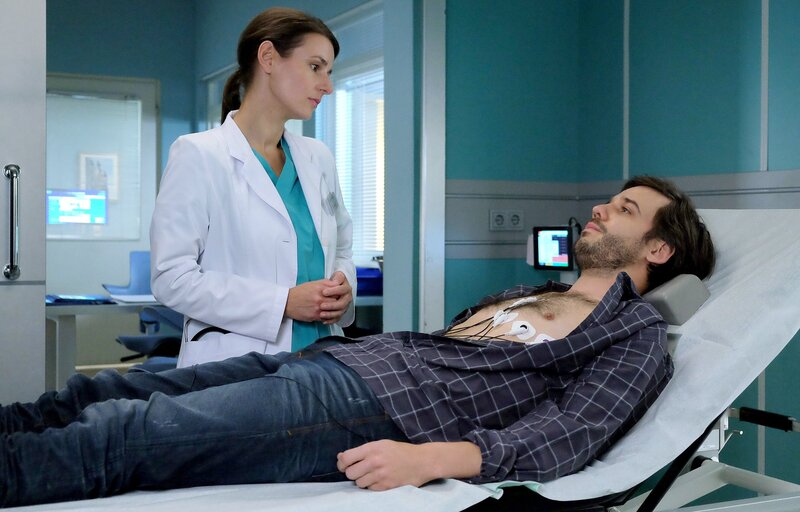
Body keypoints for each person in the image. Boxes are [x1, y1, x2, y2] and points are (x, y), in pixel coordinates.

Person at [0, 176, 715, 508]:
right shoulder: (531, 293)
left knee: (130, 434)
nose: (600, 208)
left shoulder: (633, 334)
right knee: (111, 388)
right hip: (342, 362)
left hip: (380, 406)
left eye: (624, 209)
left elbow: (570, 434)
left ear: (657, 250)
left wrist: (429, 459)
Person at [149, 7, 356, 367]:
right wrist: (282, 303)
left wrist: (343, 284)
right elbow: (172, 278)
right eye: (315, 67)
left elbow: (342, 248)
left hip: (322, 361)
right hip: (234, 368)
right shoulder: (199, 154)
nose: (327, 86)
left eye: (329, 72)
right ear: (268, 57)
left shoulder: (318, 157)